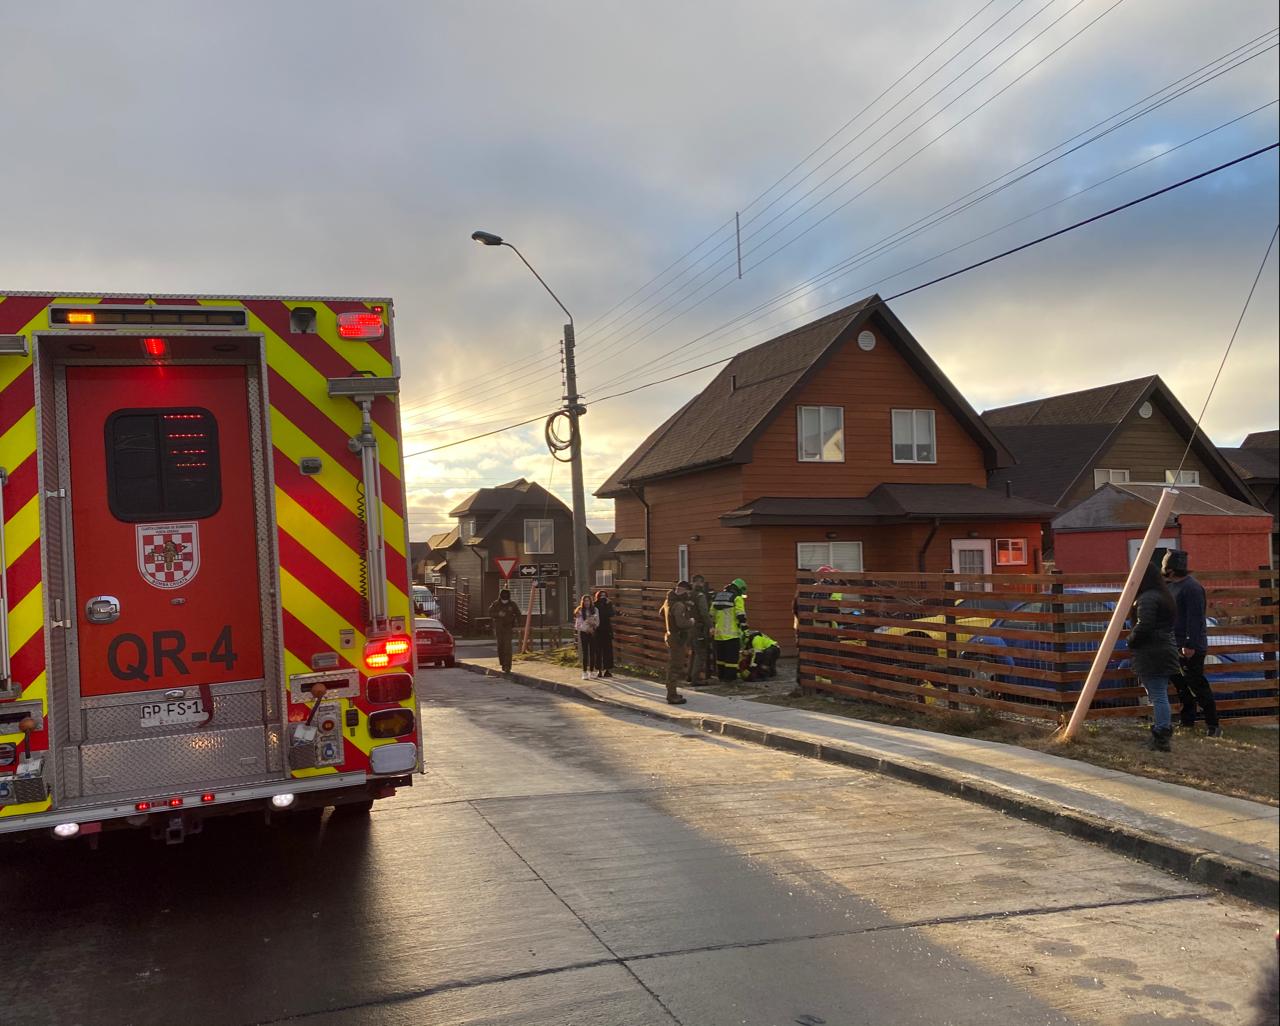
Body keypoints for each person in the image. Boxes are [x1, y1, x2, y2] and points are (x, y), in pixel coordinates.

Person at [1163, 549, 1221, 737]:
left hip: (1189, 646)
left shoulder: (1192, 588)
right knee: (1180, 683)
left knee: (1197, 684)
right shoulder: (1172, 587)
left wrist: (1190, 645)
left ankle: (1213, 724)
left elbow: (1195, 619)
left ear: (1171, 570)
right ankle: (1187, 720)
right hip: (1173, 644)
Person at [1129, 556, 1182, 752]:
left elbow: (1145, 625)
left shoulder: (1148, 598)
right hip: (1162, 649)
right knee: (1158, 694)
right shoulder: (1163, 594)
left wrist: (1131, 639)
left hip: (1153, 652)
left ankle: (1161, 735)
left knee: (1158, 695)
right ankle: (1161, 732)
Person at [660, 580, 694, 704]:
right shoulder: (679, 605)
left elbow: (660, 613)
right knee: (675, 666)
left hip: (669, 635)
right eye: (687, 593)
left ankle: (671, 691)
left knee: (672, 664)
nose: (688, 595)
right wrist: (691, 621)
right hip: (677, 637)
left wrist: (670, 622)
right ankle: (672, 695)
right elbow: (681, 623)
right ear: (683, 590)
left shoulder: (667, 601)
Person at [711, 578, 749, 681]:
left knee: (721, 658)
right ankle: (730, 678)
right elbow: (741, 615)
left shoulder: (717, 597)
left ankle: (721, 676)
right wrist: (745, 630)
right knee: (731, 659)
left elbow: (712, 614)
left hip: (718, 634)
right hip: (731, 634)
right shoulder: (737, 598)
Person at [487, 588, 521, 673]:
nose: (505, 598)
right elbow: (490, 613)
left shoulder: (512, 604)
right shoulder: (496, 604)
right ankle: (502, 663)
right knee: (500, 646)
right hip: (499, 628)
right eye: (503, 596)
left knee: (508, 647)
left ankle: (507, 666)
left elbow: (518, 614)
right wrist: (498, 614)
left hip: (508, 628)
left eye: (506, 596)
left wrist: (516, 623)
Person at [688, 574, 714, 684]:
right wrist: (711, 626)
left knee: (693, 652)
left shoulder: (688, 595)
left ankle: (689, 676)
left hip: (688, 627)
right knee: (700, 653)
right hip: (698, 628)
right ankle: (695, 679)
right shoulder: (700, 596)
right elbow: (704, 613)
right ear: (702, 583)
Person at [573, 594, 600, 680]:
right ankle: (584, 672)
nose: (587, 602)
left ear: (591, 601)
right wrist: (586, 629)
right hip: (584, 633)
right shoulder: (580, 610)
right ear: (583, 602)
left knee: (592, 652)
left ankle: (591, 671)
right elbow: (578, 625)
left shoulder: (595, 610)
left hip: (592, 632)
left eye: (588, 601)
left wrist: (594, 625)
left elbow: (598, 622)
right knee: (585, 652)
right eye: (585, 601)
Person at [594, 590, 615, 678]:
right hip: (597, 631)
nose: (603, 597)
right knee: (598, 651)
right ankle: (599, 670)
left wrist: (608, 605)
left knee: (608, 651)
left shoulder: (608, 604)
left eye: (604, 595)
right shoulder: (595, 605)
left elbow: (611, 614)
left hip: (607, 630)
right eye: (601, 595)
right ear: (598, 597)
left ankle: (607, 670)